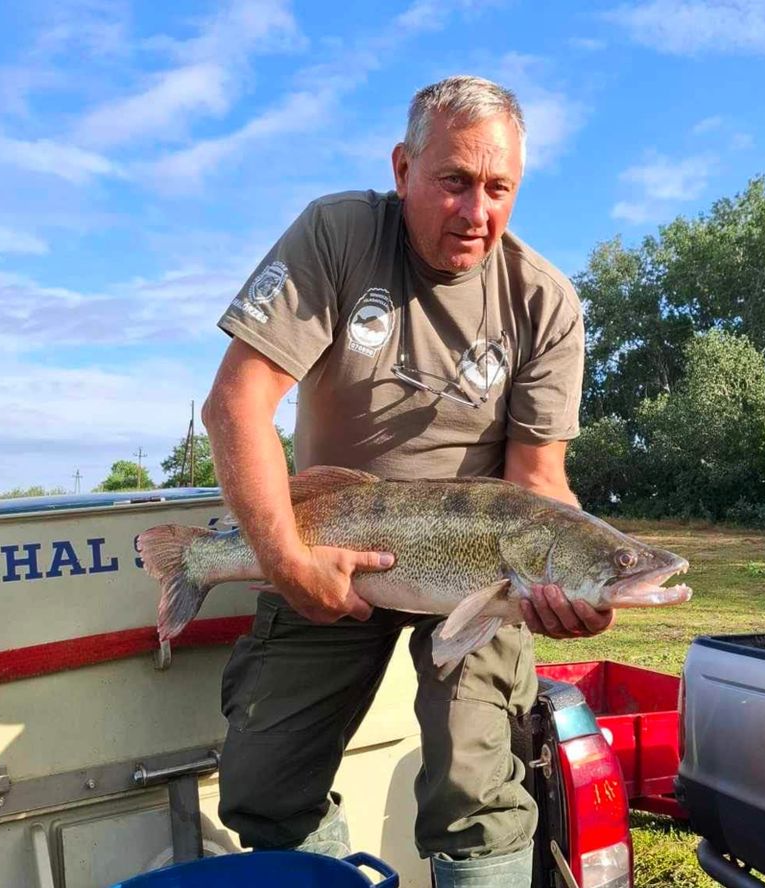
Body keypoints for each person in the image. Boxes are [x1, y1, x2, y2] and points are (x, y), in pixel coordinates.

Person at [201, 75, 612, 887]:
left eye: (500, 189)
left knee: (475, 787)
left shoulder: (546, 302)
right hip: (331, 540)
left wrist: (577, 578)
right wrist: (286, 562)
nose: (476, 213)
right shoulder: (337, 235)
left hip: (480, 564)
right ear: (402, 168)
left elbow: (539, 479)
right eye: (454, 182)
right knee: (264, 781)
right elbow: (235, 405)